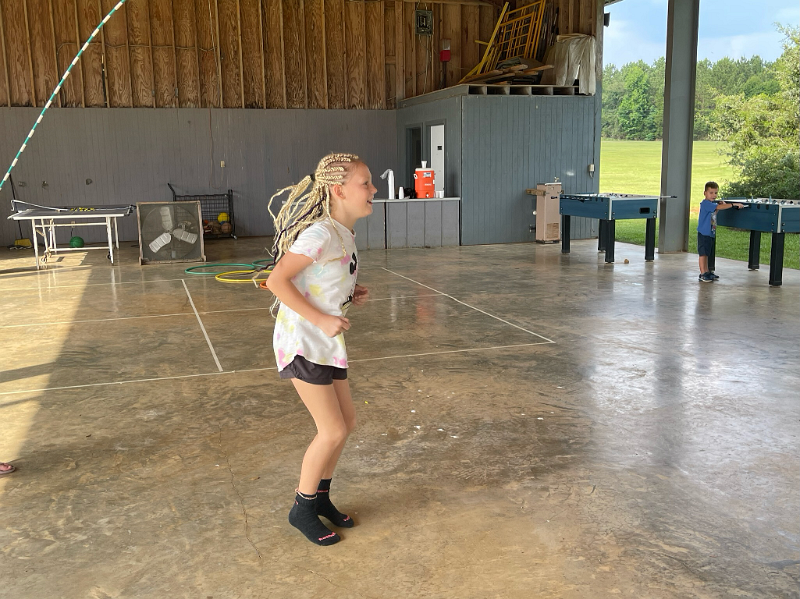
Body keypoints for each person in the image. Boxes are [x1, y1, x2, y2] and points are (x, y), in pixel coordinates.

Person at [265, 153, 375, 546]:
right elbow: (277, 280)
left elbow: (321, 279)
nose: (374, 189)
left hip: (325, 342)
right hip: (302, 341)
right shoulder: (321, 233)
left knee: (347, 422)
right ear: (338, 190)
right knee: (331, 430)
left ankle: (321, 498)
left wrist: (348, 294)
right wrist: (322, 318)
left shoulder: (344, 233)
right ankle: (302, 508)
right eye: (365, 182)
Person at [697, 181, 743, 282]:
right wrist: (733, 204)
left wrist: (720, 206)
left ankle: (707, 271)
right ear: (705, 193)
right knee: (703, 254)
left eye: (716, 193)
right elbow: (718, 207)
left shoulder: (711, 205)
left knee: (707, 253)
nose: (714, 195)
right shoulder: (705, 203)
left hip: (710, 233)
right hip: (704, 233)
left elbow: (715, 211)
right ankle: (703, 273)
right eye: (711, 193)